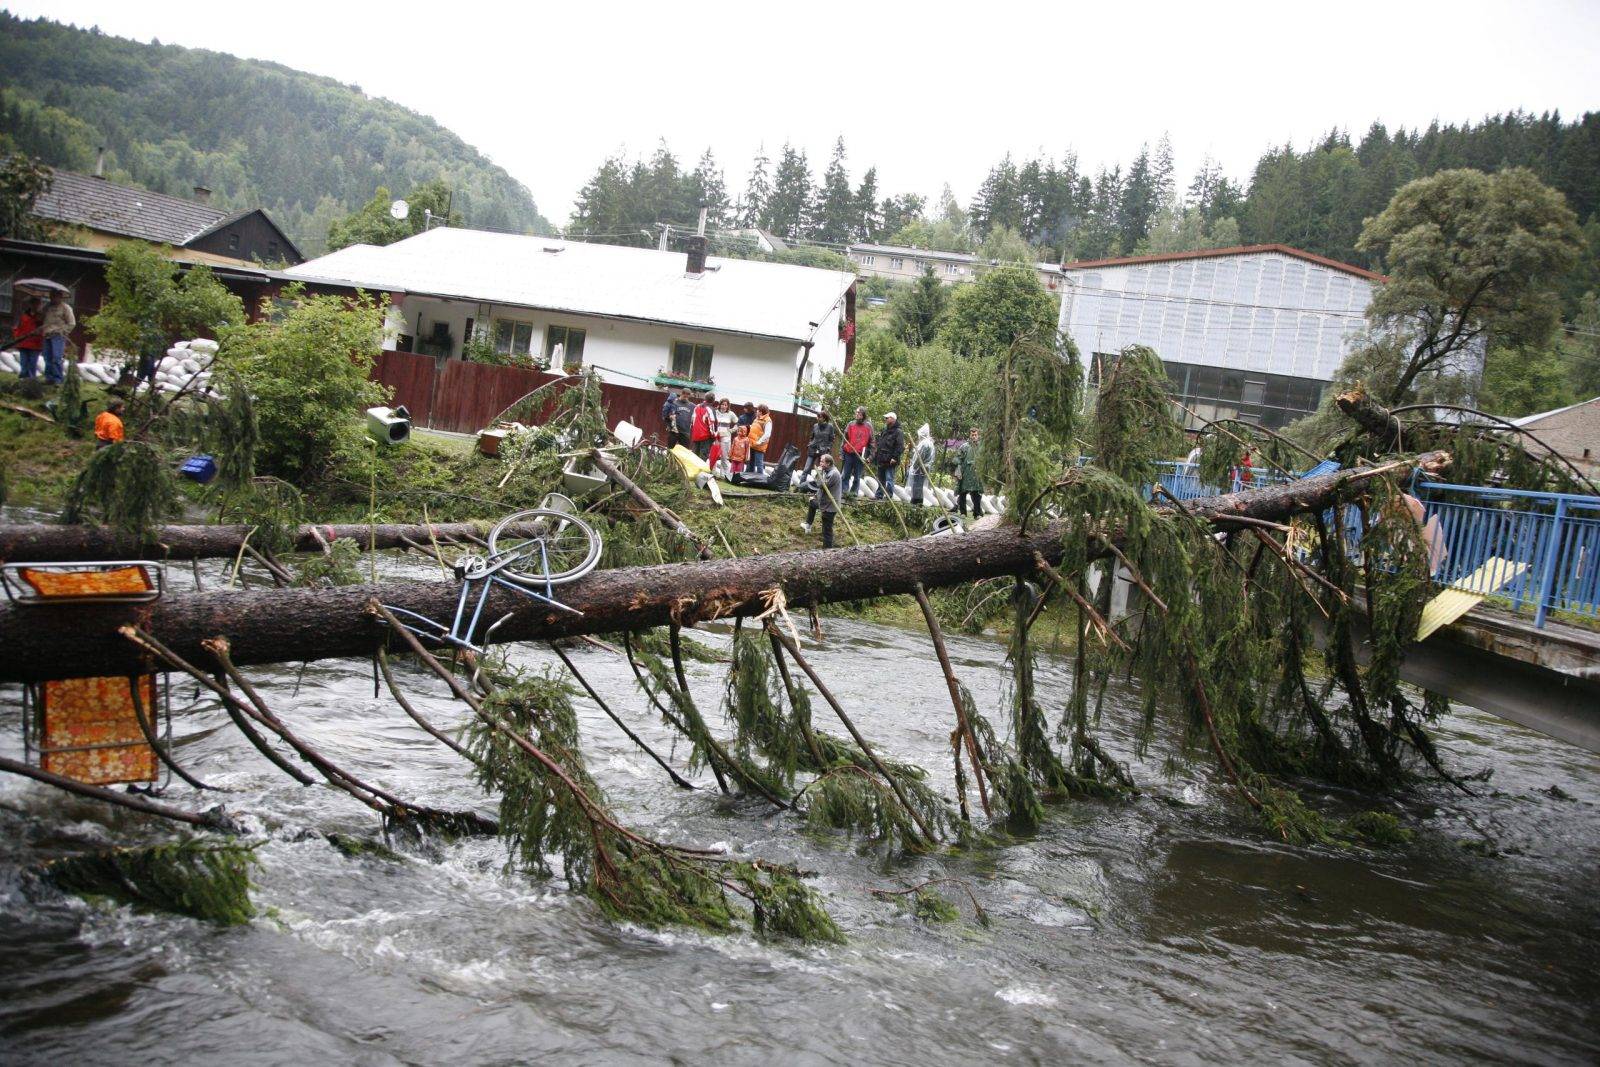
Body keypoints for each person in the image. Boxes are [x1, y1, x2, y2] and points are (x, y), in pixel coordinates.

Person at [801, 452, 842, 548]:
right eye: (820, 461)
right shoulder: (828, 471)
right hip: (824, 503)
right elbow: (821, 488)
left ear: (828, 463)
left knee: (827, 530)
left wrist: (819, 473)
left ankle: (827, 549)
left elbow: (821, 485)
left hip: (830, 506)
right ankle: (808, 525)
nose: (820, 464)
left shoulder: (833, 474)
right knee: (812, 502)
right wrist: (815, 497)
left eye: (822, 462)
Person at [40, 288, 75, 385]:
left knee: (56, 357)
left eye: (55, 296)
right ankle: (49, 377)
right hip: (47, 334)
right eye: (51, 296)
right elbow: (41, 317)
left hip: (58, 335)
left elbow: (72, 323)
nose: (53, 298)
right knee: (47, 357)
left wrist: (63, 331)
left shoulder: (66, 308)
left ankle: (58, 379)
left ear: (60, 297)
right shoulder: (47, 307)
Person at [841, 406, 873, 498]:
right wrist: (841, 452)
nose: (857, 414)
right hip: (849, 453)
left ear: (863, 415)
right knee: (845, 474)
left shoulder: (868, 426)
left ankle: (853, 494)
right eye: (856, 412)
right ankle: (844, 492)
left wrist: (870, 456)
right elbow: (845, 439)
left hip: (860, 455)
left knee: (857, 476)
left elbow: (872, 442)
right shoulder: (850, 424)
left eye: (859, 413)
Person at [872, 411, 904, 499]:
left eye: (887, 418)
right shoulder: (885, 430)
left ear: (893, 419)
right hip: (882, 458)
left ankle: (889, 497)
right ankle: (879, 495)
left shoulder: (898, 432)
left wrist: (895, 457)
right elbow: (880, 443)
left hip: (891, 460)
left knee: (889, 479)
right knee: (881, 479)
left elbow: (900, 446)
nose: (885, 419)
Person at [10, 296, 43, 379]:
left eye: (37, 304)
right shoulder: (24, 315)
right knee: (23, 362)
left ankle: (31, 380)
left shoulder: (41, 317)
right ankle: (23, 378)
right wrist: (16, 336)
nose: (36, 306)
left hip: (36, 344)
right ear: (31, 304)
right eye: (34, 304)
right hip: (23, 342)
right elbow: (17, 327)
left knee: (32, 363)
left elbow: (43, 330)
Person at [954, 427, 983, 517]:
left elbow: (985, 460)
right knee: (962, 493)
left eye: (975, 435)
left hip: (976, 474)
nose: (974, 436)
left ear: (978, 435)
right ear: (970, 435)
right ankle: (963, 513)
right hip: (965, 473)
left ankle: (977, 513)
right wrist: (958, 469)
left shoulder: (981, 447)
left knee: (976, 494)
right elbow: (958, 458)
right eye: (972, 435)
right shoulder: (964, 446)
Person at [909, 423, 936, 505]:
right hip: (924, 467)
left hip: (920, 468)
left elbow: (919, 457)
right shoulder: (929, 443)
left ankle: (916, 501)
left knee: (917, 485)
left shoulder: (925, 443)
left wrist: (914, 466)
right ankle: (918, 501)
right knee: (919, 485)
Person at [804, 409, 836, 476]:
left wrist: (828, 448)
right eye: (817, 416)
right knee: (806, 469)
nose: (817, 418)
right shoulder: (815, 426)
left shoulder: (830, 427)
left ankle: (819, 485)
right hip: (813, 449)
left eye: (819, 417)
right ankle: (801, 485)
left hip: (823, 451)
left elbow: (832, 439)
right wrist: (810, 444)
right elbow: (812, 437)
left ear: (824, 418)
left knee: (821, 470)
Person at [713, 398, 737, 476]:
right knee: (714, 455)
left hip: (725, 438)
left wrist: (731, 430)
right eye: (722, 404)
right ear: (719, 405)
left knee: (724, 456)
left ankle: (724, 475)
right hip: (715, 437)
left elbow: (738, 423)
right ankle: (712, 472)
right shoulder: (715, 412)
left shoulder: (731, 414)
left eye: (725, 405)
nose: (723, 406)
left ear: (728, 406)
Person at [690, 394, 716, 460]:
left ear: (705, 398)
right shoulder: (710, 409)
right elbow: (712, 423)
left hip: (696, 435)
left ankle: (693, 469)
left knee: (694, 455)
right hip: (706, 436)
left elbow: (692, 420)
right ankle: (700, 470)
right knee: (703, 456)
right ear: (713, 400)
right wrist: (713, 436)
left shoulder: (697, 407)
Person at [748, 403, 772, 475]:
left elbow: (767, 433)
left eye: (757, 410)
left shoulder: (767, 421)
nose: (756, 411)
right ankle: (749, 477)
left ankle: (760, 479)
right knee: (750, 462)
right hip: (752, 444)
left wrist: (759, 441)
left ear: (761, 411)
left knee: (759, 463)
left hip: (759, 445)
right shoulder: (757, 419)